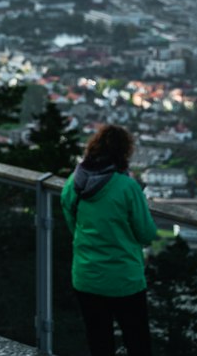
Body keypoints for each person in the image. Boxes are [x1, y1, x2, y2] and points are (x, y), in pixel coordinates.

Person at [61, 123, 160, 356]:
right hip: (124, 278)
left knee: (99, 341)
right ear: (124, 152)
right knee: (137, 341)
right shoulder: (127, 187)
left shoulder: (73, 183)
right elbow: (146, 233)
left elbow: (73, 226)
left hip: (87, 275)